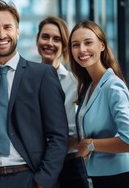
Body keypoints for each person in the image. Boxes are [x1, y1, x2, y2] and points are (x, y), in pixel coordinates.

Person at [0, 0, 69, 188]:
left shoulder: (42, 75)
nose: (1, 34)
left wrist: (43, 181)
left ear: (17, 31)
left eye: (7, 27)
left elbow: (58, 135)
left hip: (27, 178)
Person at [68, 20, 129, 188]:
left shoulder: (112, 86)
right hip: (100, 178)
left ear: (102, 45)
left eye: (88, 42)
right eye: (75, 45)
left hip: (120, 179)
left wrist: (91, 144)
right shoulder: (90, 86)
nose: (82, 50)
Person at [36, 16, 89, 188]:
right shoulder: (27, 81)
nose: (49, 43)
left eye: (56, 39)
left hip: (70, 166)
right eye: (45, 37)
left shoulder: (75, 82)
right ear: (37, 40)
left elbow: (78, 133)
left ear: (65, 46)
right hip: (38, 166)